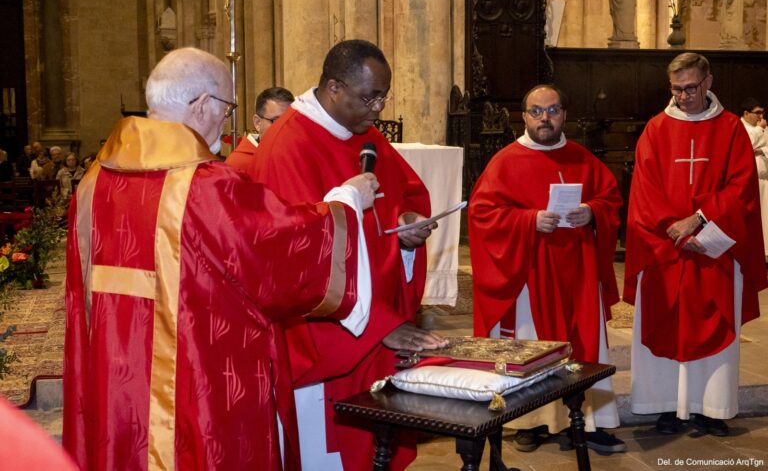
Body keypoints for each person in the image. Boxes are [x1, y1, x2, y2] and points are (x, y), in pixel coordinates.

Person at [63, 47, 380, 471]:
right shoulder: (203, 188)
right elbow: (275, 249)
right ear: (202, 105)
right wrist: (345, 202)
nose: (226, 121)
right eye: (227, 108)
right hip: (194, 396)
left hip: (113, 388)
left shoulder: (92, 186)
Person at [246, 39, 448, 470]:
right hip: (325, 337)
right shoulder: (287, 146)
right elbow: (295, 259)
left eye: (383, 96)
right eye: (369, 97)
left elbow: (403, 196)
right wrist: (378, 326)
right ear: (334, 87)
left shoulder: (365, 134)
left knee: (376, 450)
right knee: (334, 452)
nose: (377, 108)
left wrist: (408, 226)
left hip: (375, 319)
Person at [469, 84, 626, 454]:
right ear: (523, 116)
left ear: (564, 115)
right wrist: (529, 220)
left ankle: (589, 422)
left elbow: (610, 200)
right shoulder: (506, 161)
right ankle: (531, 420)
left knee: (585, 345)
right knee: (533, 343)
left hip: (579, 274)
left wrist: (593, 211)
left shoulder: (583, 158)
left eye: (552, 110)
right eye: (536, 111)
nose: (545, 118)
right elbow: (482, 214)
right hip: (532, 274)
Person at [625, 52, 765, 437]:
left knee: (714, 323)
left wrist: (698, 221)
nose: (683, 96)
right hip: (666, 248)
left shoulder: (731, 129)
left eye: (690, 88)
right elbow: (644, 189)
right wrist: (673, 229)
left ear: (708, 83)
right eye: (676, 88)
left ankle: (711, 407)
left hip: (713, 249)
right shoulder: (656, 128)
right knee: (664, 321)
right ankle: (664, 406)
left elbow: (741, 189)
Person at [225, 86, 294, 173]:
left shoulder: (294, 156)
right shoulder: (237, 165)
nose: (285, 129)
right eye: (276, 121)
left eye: (290, 121)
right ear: (257, 122)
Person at [739, 97, 768, 259]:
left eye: (762, 112)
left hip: (765, 180)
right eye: (757, 113)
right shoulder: (740, 126)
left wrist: (761, 150)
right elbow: (746, 146)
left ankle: (764, 254)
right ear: (746, 113)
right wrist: (759, 132)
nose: (761, 116)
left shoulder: (763, 128)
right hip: (749, 183)